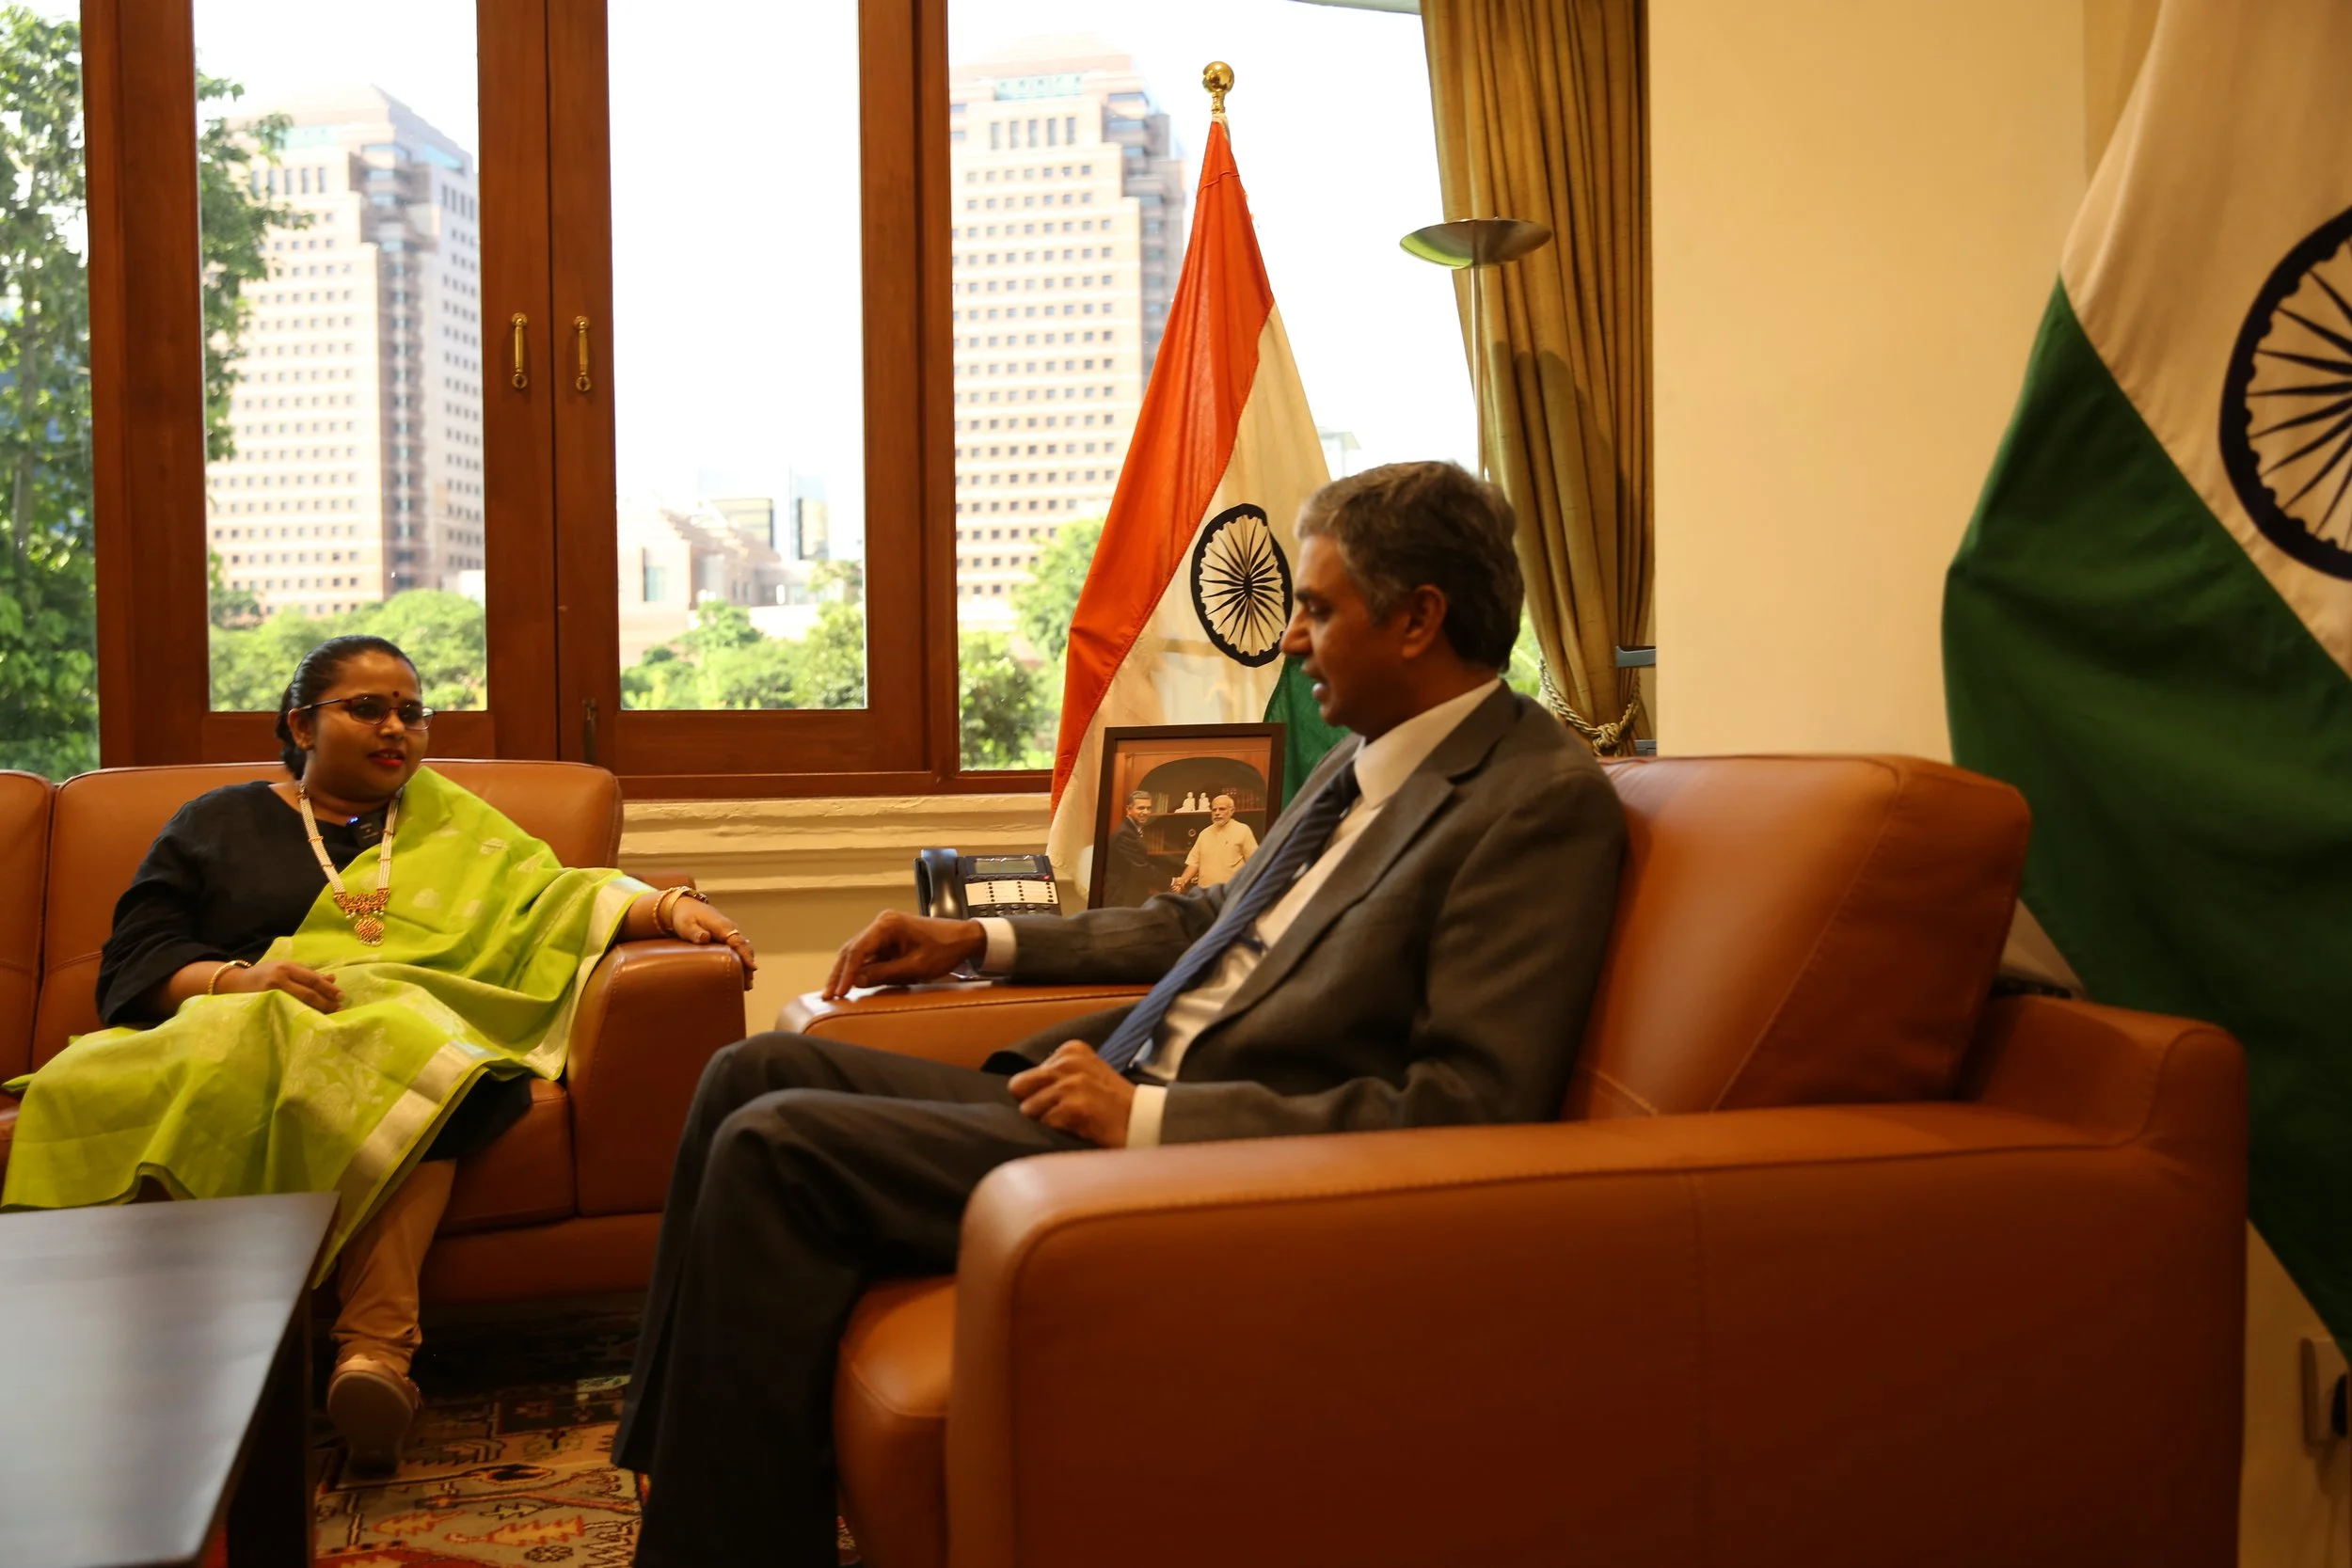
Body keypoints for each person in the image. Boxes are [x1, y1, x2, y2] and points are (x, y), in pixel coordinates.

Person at [614, 460, 1627, 1568]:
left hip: (1204, 1159)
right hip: (1111, 1085)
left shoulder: (1536, 800)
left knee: (777, 1144)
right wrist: (981, 938)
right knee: (750, 1071)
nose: (1288, 637)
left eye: (1316, 607)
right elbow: (1201, 915)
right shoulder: (1356, 763)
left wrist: (1144, 1121)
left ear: (1418, 618)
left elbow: (1471, 1104)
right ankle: (683, 1482)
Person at [0, 635, 756, 1473]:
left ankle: (373, 1360)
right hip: (237, 1020)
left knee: (430, 1059)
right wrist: (240, 982)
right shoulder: (214, 822)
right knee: (386, 1054)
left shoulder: (448, 819)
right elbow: (136, 958)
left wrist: (671, 908)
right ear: (300, 723)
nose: (396, 727)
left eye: (411, 711)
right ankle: (323, 1353)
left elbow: (551, 894)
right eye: (367, 708)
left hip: (400, 1030)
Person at [1170, 789, 1259, 892]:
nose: (1217, 813)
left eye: (1222, 809)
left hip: (1232, 893)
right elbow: (1194, 863)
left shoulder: (1243, 831)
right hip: (1205, 895)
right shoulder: (1204, 834)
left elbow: (1255, 864)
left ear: (1232, 811)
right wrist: (1182, 882)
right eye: (1214, 810)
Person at [1100, 788, 1161, 907]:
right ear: (1129, 809)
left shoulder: (1133, 830)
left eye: (1148, 808)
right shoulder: (1124, 833)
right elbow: (1141, 866)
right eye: (1141, 808)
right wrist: (1171, 882)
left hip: (1130, 895)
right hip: (1121, 898)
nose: (1146, 812)